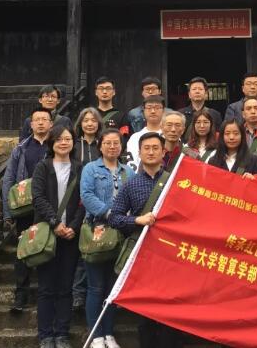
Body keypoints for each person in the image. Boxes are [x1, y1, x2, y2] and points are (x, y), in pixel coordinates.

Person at [109, 132, 184, 348]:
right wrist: (137, 220)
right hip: (143, 255)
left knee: (171, 310)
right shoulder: (131, 184)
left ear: (163, 152)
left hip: (171, 255)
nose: (151, 152)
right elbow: (115, 218)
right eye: (146, 148)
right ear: (139, 153)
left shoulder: (176, 182)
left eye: (155, 148)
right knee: (146, 312)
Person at [32, 126, 85, 348]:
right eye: (59, 139)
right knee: (46, 287)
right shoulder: (43, 167)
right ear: (51, 143)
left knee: (65, 287)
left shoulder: (80, 168)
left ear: (74, 142)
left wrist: (73, 226)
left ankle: (62, 333)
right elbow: (38, 197)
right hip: (48, 233)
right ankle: (45, 335)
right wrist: (55, 222)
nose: (64, 143)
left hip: (70, 236)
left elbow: (84, 200)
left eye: (68, 139)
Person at [80, 129, 134, 348]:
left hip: (121, 234)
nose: (112, 147)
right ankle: (96, 335)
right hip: (98, 229)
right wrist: (110, 213)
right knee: (95, 286)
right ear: (100, 146)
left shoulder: (128, 171)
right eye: (108, 143)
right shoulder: (90, 169)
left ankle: (109, 334)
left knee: (113, 287)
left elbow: (133, 197)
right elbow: (86, 195)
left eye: (116, 143)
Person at [2, 107, 53, 313]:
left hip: (49, 207)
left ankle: (46, 294)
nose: (40, 123)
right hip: (25, 208)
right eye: (37, 120)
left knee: (47, 246)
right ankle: (21, 294)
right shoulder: (21, 149)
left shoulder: (56, 146)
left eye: (44, 119)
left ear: (51, 124)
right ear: (30, 124)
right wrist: (7, 212)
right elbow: (8, 179)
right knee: (23, 249)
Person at [71, 107, 104, 313]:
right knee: (79, 250)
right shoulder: (74, 145)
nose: (90, 123)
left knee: (95, 248)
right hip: (76, 202)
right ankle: (77, 294)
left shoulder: (104, 144)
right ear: (80, 123)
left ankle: (94, 294)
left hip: (99, 203)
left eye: (93, 120)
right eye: (86, 120)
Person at [125, 95, 165, 168]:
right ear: (143, 111)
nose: (153, 111)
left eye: (157, 108)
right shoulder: (135, 137)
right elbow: (132, 164)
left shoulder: (170, 135)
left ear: (163, 111)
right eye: (149, 108)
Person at [93, 76, 131, 141]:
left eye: (108, 88)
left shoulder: (122, 116)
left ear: (114, 92)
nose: (104, 92)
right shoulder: (91, 114)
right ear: (96, 92)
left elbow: (124, 139)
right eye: (101, 88)